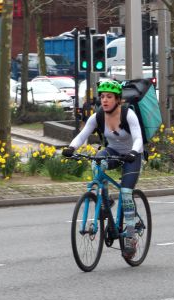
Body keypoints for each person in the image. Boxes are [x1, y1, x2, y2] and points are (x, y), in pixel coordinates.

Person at [62, 80, 143, 258]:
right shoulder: (98, 116)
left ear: (118, 100)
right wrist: (71, 148)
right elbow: (83, 135)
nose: (105, 100)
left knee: (127, 192)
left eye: (109, 97)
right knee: (97, 161)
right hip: (113, 151)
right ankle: (105, 201)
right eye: (102, 97)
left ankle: (130, 236)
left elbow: (138, 138)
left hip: (132, 155)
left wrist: (133, 153)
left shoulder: (128, 115)